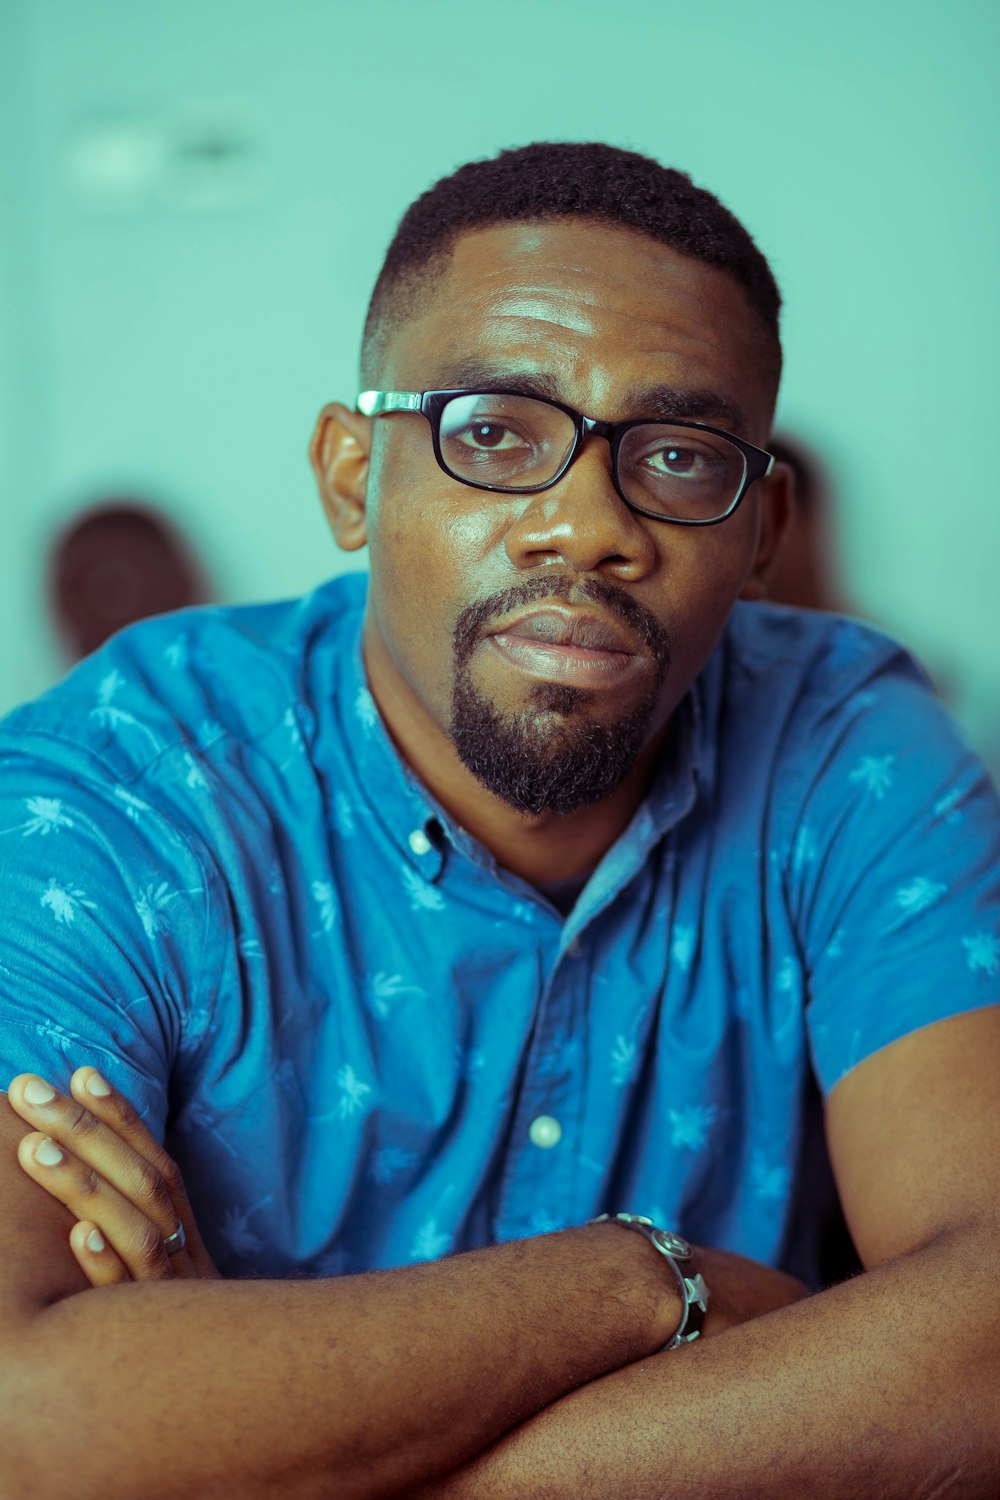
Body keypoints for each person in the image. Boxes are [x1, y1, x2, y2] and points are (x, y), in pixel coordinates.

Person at [1, 142, 998, 1498]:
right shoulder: (109, 796)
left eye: (681, 456)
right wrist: (655, 1281)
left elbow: (984, 1343)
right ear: (353, 475)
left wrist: (274, 1444)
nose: (586, 526)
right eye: (495, 435)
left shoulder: (849, 742)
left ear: (760, 535)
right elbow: (29, 1424)